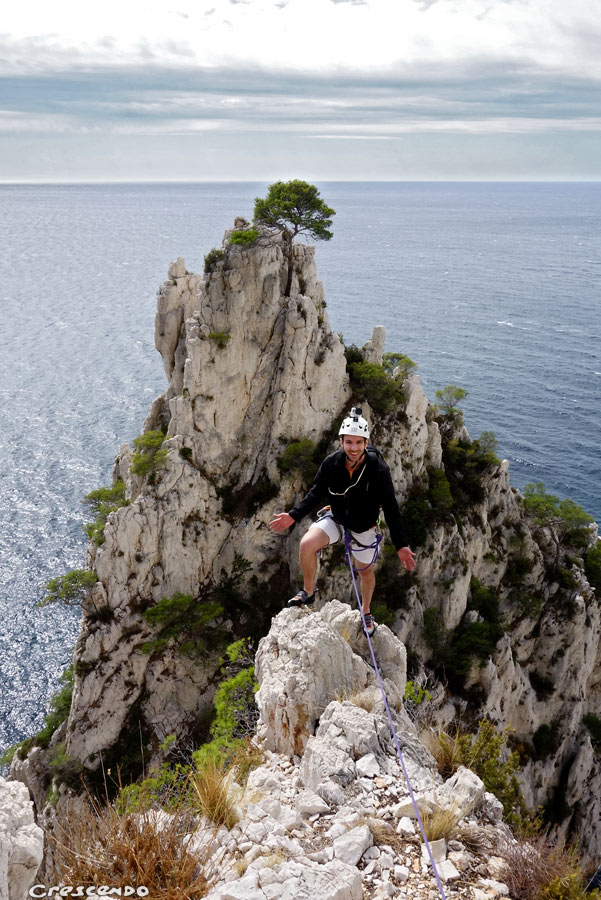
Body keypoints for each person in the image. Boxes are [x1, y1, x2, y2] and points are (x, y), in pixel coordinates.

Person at [269, 407, 416, 636]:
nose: (354, 448)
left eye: (359, 442)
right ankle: (308, 591)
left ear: (366, 442)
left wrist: (402, 544)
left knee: (365, 571)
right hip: (337, 517)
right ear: (341, 442)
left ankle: (366, 610)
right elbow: (316, 492)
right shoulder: (332, 463)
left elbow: (390, 507)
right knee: (306, 545)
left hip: (363, 525)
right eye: (349, 442)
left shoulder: (378, 470)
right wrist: (293, 515)